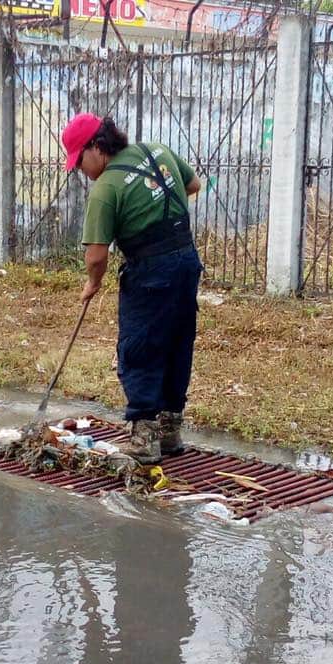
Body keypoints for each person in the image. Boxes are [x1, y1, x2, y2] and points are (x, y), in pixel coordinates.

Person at [62, 113, 202, 465]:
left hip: (150, 271)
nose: (81, 169)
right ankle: (170, 432)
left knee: (139, 348)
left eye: (80, 160)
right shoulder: (156, 151)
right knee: (176, 342)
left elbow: (95, 255)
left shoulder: (107, 188)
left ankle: (144, 439)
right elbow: (193, 184)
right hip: (186, 261)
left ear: (97, 147)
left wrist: (92, 283)